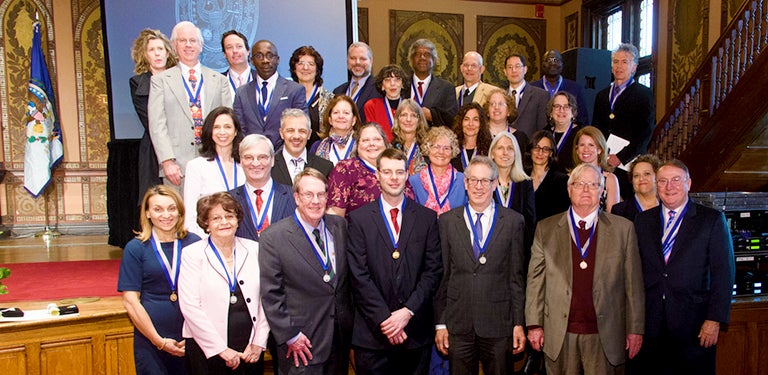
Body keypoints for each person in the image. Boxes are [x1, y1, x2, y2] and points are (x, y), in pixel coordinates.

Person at [525, 163, 645, 374]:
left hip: (605, 335)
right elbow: (536, 282)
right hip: (560, 335)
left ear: (602, 191)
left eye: (593, 184)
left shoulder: (623, 230)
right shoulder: (546, 229)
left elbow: (633, 285)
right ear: (569, 189)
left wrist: (635, 329)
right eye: (580, 184)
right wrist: (534, 324)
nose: (586, 190)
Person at [632, 160, 735, 375]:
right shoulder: (642, 221)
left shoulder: (711, 220)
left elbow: (723, 273)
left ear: (689, 183)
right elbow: (634, 273)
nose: (669, 187)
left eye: (676, 180)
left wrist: (714, 319)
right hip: (651, 326)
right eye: (663, 181)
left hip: (694, 326)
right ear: (656, 185)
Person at [347, 148, 443, 374]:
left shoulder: (426, 218)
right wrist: (386, 320)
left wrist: (407, 312)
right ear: (377, 175)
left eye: (399, 172)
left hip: (415, 332)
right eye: (387, 172)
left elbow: (432, 271)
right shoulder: (359, 219)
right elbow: (358, 275)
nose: (394, 178)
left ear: (406, 175)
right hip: (372, 335)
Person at [434, 156, 527, 375]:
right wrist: (440, 323)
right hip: (458, 324)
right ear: (465, 183)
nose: (478, 186)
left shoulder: (514, 221)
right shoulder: (447, 222)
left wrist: (518, 323)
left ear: (495, 184)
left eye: (485, 181)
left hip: (498, 323)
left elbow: (516, 277)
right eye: (473, 180)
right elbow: (442, 277)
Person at [259, 168, 354, 375]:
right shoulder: (273, 238)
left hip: (339, 339)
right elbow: (270, 294)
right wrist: (290, 335)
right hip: (301, 343)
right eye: (308, 195)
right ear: (296, 197)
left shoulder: (339, 226)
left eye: (321, 194)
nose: (315, 201)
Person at [179, 192, 269, 374]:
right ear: (206, 223)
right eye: (216, 218)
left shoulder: (255, 249)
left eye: (229, 216)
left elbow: (266, 299)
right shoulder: (192, 254)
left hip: (249, 347)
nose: (224, 222)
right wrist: (220, 349)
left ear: (237, 219)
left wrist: (259, 342)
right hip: (206, 347)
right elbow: (190, 306)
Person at [118, 186, 201, 375]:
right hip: (151, 341)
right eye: (158, 209)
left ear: (180, 211)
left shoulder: (194, 243)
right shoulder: (136, 248)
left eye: (172, 208)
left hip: (193, 337)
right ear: (147, 213)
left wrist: (198, 336)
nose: (166, 215)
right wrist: (159, 341)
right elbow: (131, 301)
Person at [149, 21, 232, 190]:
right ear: (173, 45)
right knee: (181, 215)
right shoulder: (160, 81)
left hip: (214, 161)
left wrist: (226, 158)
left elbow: (229, 123)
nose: (188, 45)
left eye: (193, 40)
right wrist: (167, 161)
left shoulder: (220, 81)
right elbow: (157, 124)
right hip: (177, 168)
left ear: (201, 45)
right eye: (182, 40)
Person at [593, 43, 655, 201]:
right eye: (615, 61)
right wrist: (599, 155)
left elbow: (645, 133)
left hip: (627, 163)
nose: (619, 66)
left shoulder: (643, 94)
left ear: (634, 67)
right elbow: (595, 129)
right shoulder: (602, 95)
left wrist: (621, 157)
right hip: (603, 161)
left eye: (624, 62)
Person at [130, 29, 178, 206]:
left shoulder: (180, 78)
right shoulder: (137, 83)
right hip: (153, 149)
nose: (157, 53)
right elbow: (150, 119)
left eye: (161, 48)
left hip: (185, 143)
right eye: (152, 50)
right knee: (156, 200)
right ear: (144, 54)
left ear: (168, 52)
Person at [326, 122, 414, 219]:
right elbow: (335, 216)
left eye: (377, 139)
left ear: (385, 143)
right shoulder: (345, 168)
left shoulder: (396, 167)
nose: (372, 144)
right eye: (365, 140)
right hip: (360, 233)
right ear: (357, 145)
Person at [233, 39, 307, 151]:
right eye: (259, 56)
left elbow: (302, 126)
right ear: (251, 61)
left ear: (278, 60)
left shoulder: (295, 90)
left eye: (270, 55)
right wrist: (255, 154)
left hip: (284, 158)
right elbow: (240, 130)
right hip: (252, 159)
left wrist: (279, 157)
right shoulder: (241, 93)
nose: (265, 60)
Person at [184, 106, 246, 236]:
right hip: (208, 239)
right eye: (217, 127)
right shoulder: (196, 166)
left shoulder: (245, 165)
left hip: (243, 236)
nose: (222, 132)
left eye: (227, 127)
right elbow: (190, 214)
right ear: (209, 131)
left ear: (236, 131)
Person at [227, 134, 296, 241]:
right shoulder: (228, 199)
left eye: (262, 157)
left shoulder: (293, 196)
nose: (255, 163)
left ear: (272, 160)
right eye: (248, 157)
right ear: (241, 160)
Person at [489, 132, 536, 256]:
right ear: (492, 153)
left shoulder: (525, 184)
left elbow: (530, 223)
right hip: (489, 252)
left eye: (510, 148)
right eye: (500, 148)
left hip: (517, 252)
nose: (505, 153)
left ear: (516, 154)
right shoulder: (485, 182)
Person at [409, 126, 467, 216]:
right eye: (436, 147)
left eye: (446, 148)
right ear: (428, 149)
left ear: (453, 151)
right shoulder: (413, 182)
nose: (441, 152)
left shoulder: (463, 180)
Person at [271, 109, 333, 186]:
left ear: (309, 134)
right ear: (281, 133)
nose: (296, 136)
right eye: (290, 131)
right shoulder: (269, 166)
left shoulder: (325, 168)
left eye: (302, 131)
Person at [289, 46, 334, 149]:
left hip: (320, 155)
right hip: (292, 152)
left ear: (317, 70)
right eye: (300, 63)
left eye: (311, 64)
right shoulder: (286, 96)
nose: (305, 68)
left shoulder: (330, 99)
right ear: (294, 68)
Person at [530, 50, 589, 125]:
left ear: (562, 64)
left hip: (568, 135)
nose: (552, 63)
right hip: (540, 134)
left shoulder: (576, 89)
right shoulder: (531, 88)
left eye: (556, 60)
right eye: (548, 60)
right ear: (542, 65)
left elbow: (583, 120)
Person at [408, 39, 458, 127]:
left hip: (434, 138)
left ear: (434, 60)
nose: (422, 58)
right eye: (418, 54)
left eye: (427, 55)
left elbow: (452, 120)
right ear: (411, 59)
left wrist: (432, 116)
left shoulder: (446, 88)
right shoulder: (402, 85)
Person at [573, 126, 621, 213]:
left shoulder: (610, 179)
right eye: (582, 145)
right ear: (577, 150)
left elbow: (613, 217)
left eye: (591, 145)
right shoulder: (569, 178)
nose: (586, 149)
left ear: (599, 150)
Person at [525, 130, 570, 222]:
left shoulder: (562, 181)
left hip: (549, 233)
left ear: (551, 153)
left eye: (546, 149)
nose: (540, 153)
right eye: (536, 147)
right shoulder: (520, 179)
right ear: (530, 150)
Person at [333, 42, 381, 122]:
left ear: (371, 61)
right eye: (353, 58)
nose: (357, 62)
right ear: (347, 61)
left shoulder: (379, 90)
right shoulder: (338, 91)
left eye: (362, 59)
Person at [503, 53, 549, 138]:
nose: (514, 70)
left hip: (529, 148)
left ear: (525, 69)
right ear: (505, 72)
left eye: (517, 66)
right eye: (510, 67)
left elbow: (543, 129)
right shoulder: (501, 96)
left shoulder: (541, 95)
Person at [364, 64, 410, 141]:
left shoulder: (411, 106)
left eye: (397, 79)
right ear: (382, 85)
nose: (392, 84)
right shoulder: (372, 106)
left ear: (402, 84)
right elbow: (372, 134)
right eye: (387, 80)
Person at [311, 95, 361, 165]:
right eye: (336, 113)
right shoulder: (317, 146)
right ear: (330, 120)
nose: (341, 116)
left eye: (346, 113)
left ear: (354, 120)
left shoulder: (362, 144)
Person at [610, 154, 660, 221]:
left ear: (657, 177)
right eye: (636, 175)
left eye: (647, 174)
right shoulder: (619, 211)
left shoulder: (669, 206)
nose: (641, 178)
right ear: (632, 180)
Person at [450, 102, 492, 172]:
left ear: (481, 124)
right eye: (466, 119)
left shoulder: (489, 149)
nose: (470, 124)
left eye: (475, 119)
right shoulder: (451, 148)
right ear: (460, 122)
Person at [391, 99, 429, 175]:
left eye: (413, 115)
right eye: (404, 115)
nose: (408, 119)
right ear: (398, 119)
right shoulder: (391, 148)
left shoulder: (428, 147)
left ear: (419, 120)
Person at [548, 91, 581, 173]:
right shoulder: (544, 134)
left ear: (573, 112)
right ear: (551, 112)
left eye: (566, 106)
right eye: (557, 106)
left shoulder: (581, 135)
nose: (561, 110)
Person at [220, 30, 254, 101]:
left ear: (248, 51)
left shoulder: (260, 78)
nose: (235, 51)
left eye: (239, 46)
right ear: (225, 54)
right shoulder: (218, 82)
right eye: (229, 47)